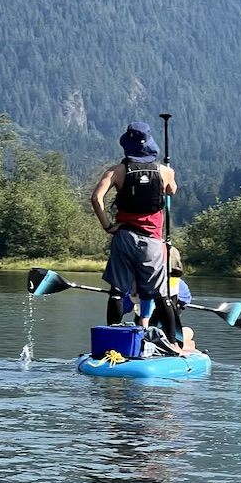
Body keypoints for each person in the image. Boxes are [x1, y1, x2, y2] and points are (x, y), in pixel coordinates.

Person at [91, 121, 181, 346]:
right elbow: (172, 191)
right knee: (161, 294)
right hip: (152, 241)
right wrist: (168, 174)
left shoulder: (116, 171)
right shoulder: (166, 172)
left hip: (123, 237)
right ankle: (171, 343)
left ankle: (111, 340)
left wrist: (107, 226)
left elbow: (96, 198)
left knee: (117, 291)